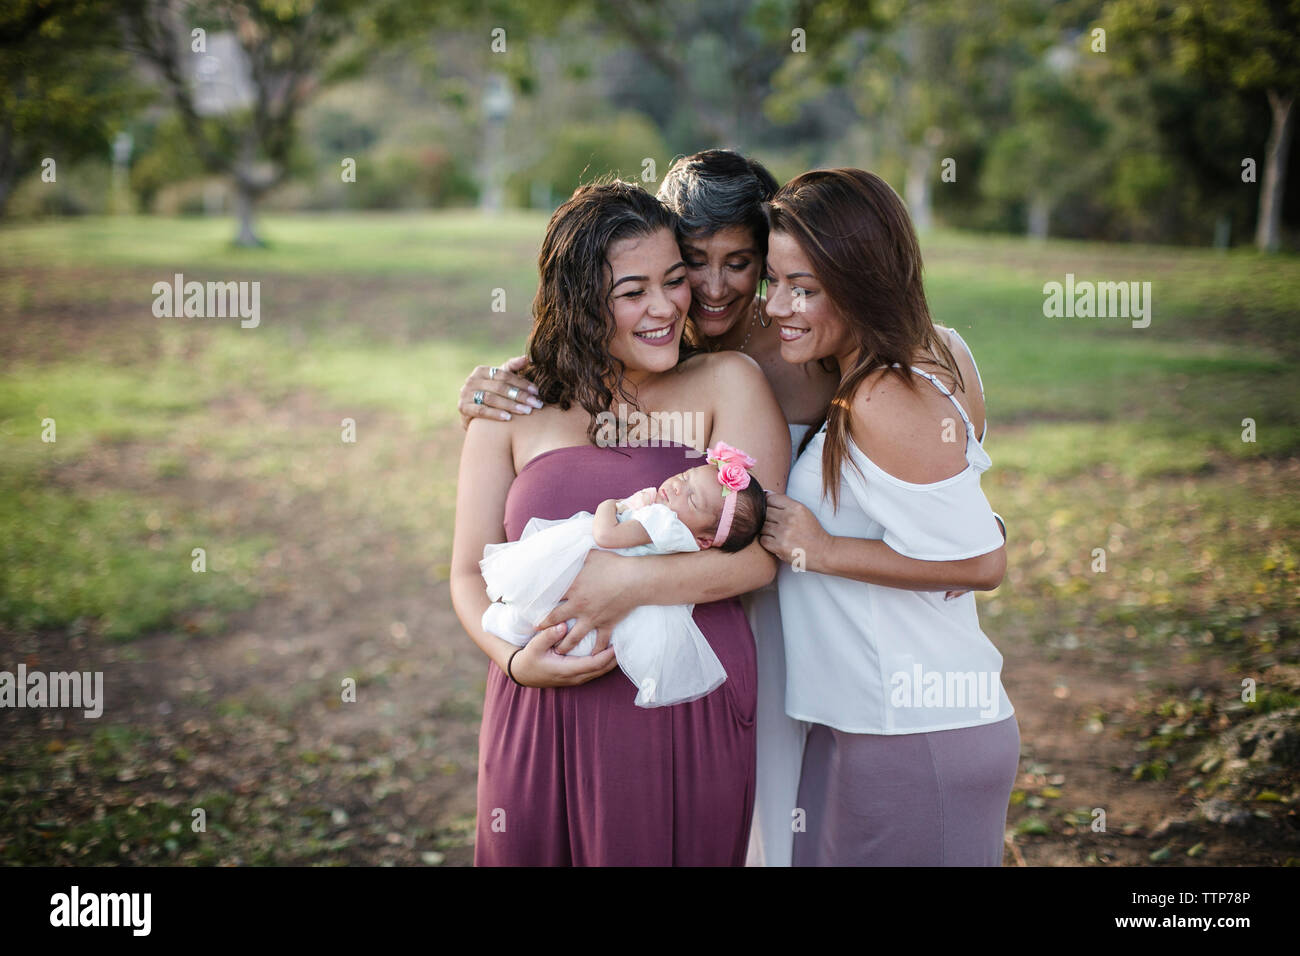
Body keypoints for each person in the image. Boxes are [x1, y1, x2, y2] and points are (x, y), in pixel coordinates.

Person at [454, 150, 1007, 867]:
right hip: (757, 628)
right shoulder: (671, 346)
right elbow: (492, 525)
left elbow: (958, 519)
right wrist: (491, 393)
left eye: (743, 264)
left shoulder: (849, 361)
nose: (711, 290)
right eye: (691, 265)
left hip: (849, 636)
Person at [450, 178, 788, 865]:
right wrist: (516, 661)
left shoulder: (729, 384)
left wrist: (628, 586)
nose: (664, 307)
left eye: (673, 280)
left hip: (681, 704)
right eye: (633, 292)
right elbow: (465, 571)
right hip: (539, 700)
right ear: (580, 302)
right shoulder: (515, 406)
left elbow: (761, 558)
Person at [758, 168, 1019, 866]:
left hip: (913, 729)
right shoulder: (940, 351)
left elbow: (984, 563)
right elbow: (971, 525)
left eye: (803, 288)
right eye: (773, 281)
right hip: (872, 722)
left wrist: (818, 548)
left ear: (861, 279)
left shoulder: (883, 395)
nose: (776, 304)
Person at [478, 446, 767, 707]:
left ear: (705, 540)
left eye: (692, 499)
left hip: (598, 565)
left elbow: (606, 535)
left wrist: (610, 506)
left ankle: (507, 625)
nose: (679, 487)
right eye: (685, 476)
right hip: (621, 599)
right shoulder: (685, 537)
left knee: (547, 594)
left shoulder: (663, 522)